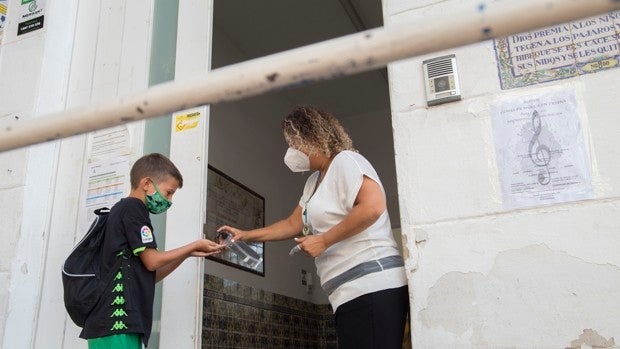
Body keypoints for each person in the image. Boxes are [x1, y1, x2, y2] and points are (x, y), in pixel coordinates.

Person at [218, 105, 409, 349]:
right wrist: (245, 235)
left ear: (314, 138)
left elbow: (372, 207)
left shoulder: (346, 161)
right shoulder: (312, 183)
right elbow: (293, 223)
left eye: (293, 143)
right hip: (346, 293)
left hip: (373, 285)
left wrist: (324, 240)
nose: (291, 152)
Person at [80, 153, 224, 348]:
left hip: (112, 326)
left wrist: (188, 254)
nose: (170, 200)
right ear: (146, 183)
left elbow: (150, 274)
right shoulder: (134, 208)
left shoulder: (123, 211)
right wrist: (193, 245)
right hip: (116, 323)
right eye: (168, 192)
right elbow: (153, 261)